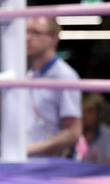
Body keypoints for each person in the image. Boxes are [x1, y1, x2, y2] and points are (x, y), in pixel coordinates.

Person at [25, 17, 82, 157]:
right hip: (27, 161)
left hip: (52, 164)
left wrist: (30, 149)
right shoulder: (28, 75)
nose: (28, 38)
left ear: (53, 38)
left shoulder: (65, 76)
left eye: (36, 33)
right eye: (26, 32)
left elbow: (72, 133)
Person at [81, 93, 110, 163]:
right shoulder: (69, 136)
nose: (85, 115)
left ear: (98, 114)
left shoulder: (108, 134)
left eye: (90, 111)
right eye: (82, 111)